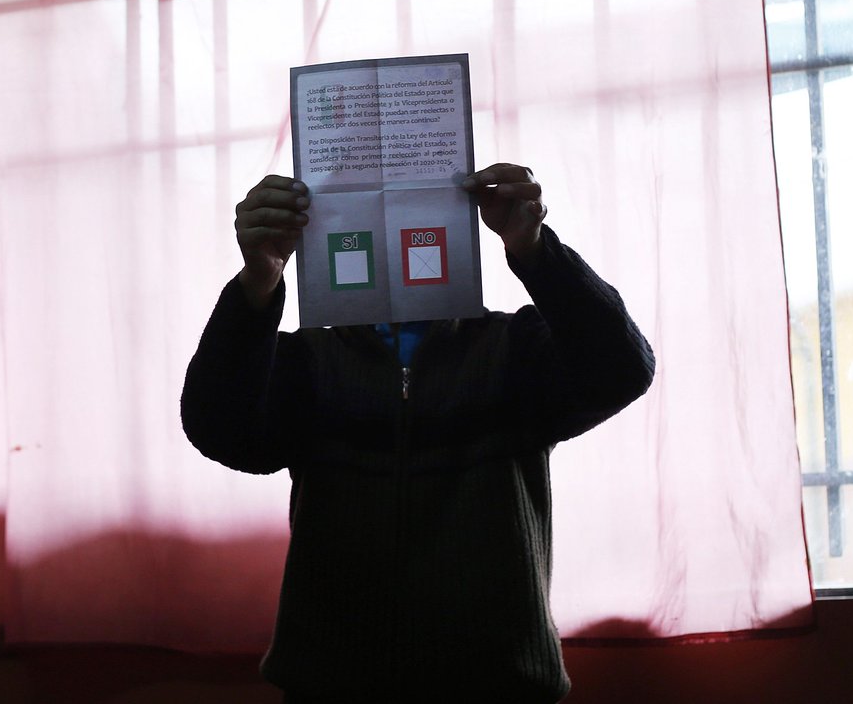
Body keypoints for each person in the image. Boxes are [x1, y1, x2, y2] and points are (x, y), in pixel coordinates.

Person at [181, 163, 655, 704]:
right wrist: (258, 281)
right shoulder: (308, 360)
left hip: (498, 683)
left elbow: (621, 369)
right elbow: (219, 428)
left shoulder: (513, 349)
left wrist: (534, 249)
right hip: (332, 684)